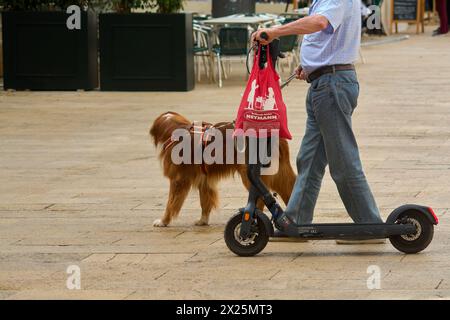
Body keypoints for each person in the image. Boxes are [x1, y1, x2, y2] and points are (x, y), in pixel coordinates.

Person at [253, 0, 384, 237]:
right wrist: (311, 65)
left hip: (332, 85)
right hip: (324, 82)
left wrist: (275, 32)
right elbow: (328, 35)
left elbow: (319, 22)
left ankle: (369, 226)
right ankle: (296, 220)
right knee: (309, 159)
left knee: (343, 161)